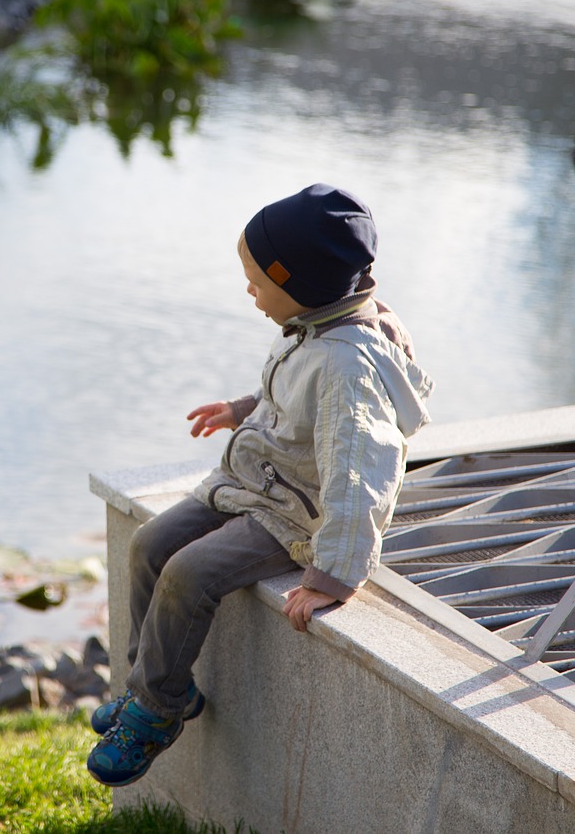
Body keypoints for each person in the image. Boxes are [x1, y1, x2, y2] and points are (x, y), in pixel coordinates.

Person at [86, 183, 435, 787]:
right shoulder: (317, 320)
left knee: (187, 574)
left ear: (297, 283)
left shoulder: (350, 368)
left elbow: (358, 478)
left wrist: (333, 575)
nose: (248, 291)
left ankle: (155, 713)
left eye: (257, 281)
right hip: (260, 480)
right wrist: (246, 407)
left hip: (296, 515)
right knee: (148, 545)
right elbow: (296, 397)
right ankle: (162, 683)